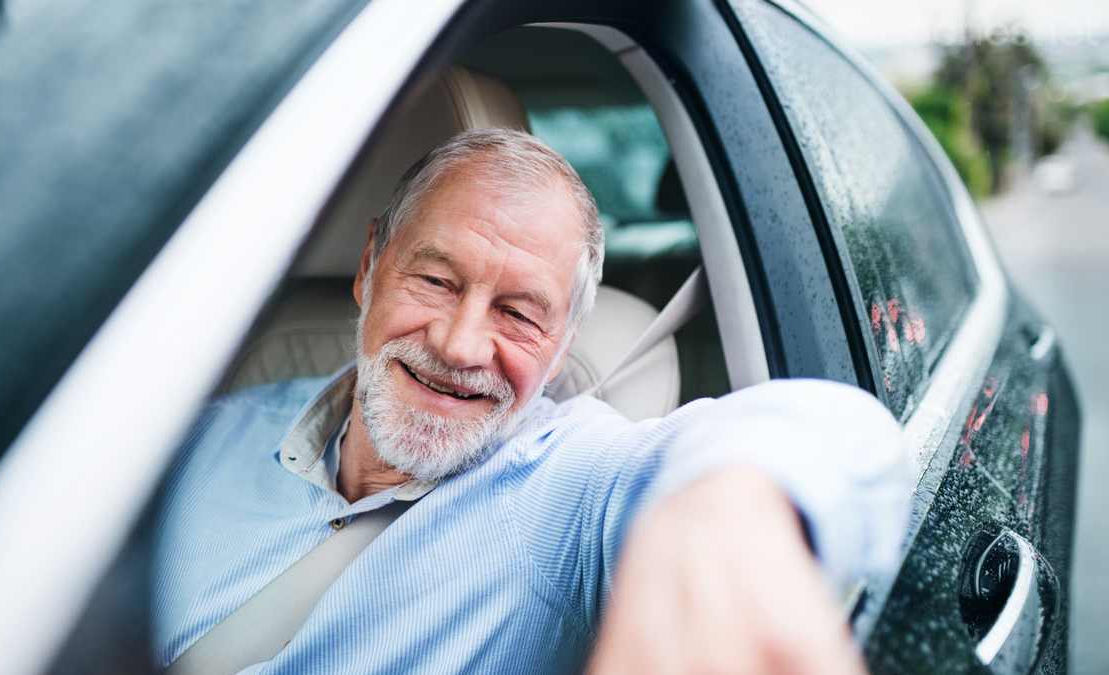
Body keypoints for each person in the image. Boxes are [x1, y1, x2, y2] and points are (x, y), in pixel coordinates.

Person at [152, 128, 912, 674]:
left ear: (561, 344)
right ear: (369, 269)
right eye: (436, 280)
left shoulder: (571, 484)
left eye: (518, 313)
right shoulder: (199, 433)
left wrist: (725, 504)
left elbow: (839, 429)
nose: (458, 344)